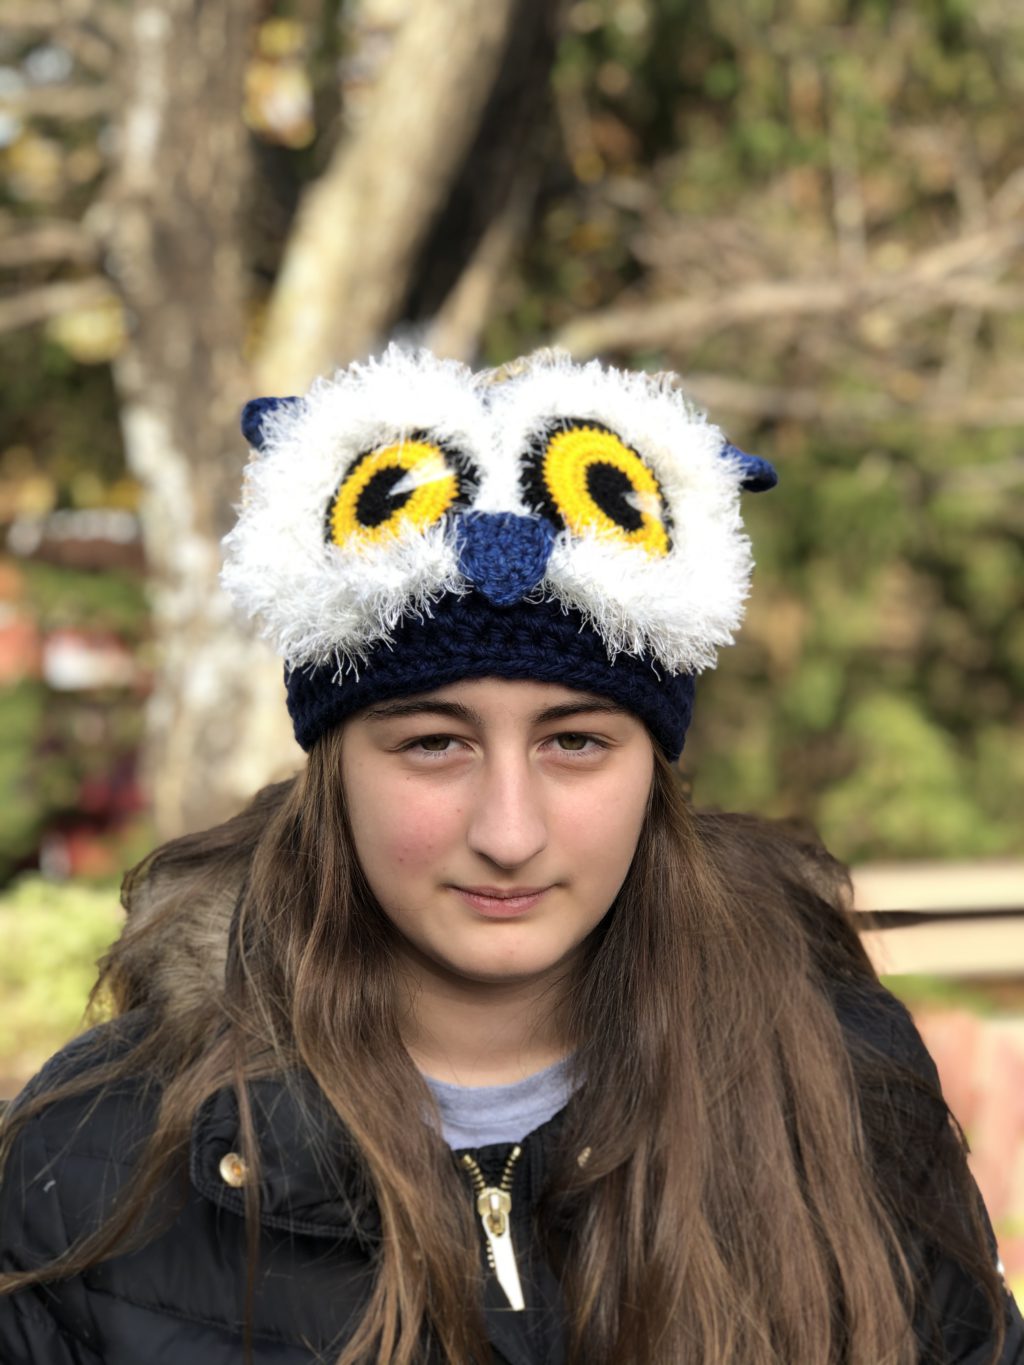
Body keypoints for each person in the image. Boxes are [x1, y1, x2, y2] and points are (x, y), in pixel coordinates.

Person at [0, 345, 1020, 1365]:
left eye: (574, 742)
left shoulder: (843, 1092)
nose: (508, 832)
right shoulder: (96, 1153)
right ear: (335, 767)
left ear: (653, 767)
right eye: (433, 744)